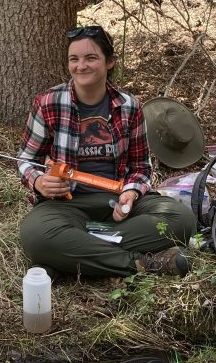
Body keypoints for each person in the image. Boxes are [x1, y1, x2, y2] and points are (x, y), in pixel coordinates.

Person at [16, 25, 197, 277]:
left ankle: (71, 254)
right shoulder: (49, 102)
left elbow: (141, 167)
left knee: (182, 219)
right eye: (74, 59)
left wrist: (132, 192)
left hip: (119, 204)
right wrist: (38, 181)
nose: (81, 66)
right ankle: (142, 263)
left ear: (109, 62)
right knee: (36, 235)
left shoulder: (129, 106)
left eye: (91, 58)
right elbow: (26, 159)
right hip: (66, 205)